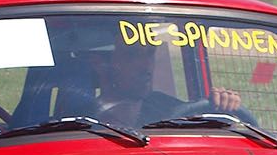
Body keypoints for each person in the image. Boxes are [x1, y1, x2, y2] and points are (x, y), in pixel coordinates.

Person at [77, 41, 244, 126]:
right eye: (132, 55)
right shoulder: (80, 120)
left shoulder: (167, 106)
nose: (146, 66)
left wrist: (224, 107)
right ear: (100, 64)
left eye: (150, 54)